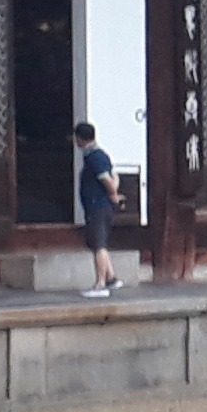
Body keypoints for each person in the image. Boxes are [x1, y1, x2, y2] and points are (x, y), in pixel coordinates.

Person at [73, 121, 123, 295]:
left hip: (97, 206)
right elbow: (114, 176)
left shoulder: (94, 157)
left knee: (98, 244)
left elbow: (108, 181)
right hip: (102, 205)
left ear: (79, 138)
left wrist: (112, 190)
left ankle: (100, 284)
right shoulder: (101, 155)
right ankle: (111, 278)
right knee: (100, 242)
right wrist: (113, 192)